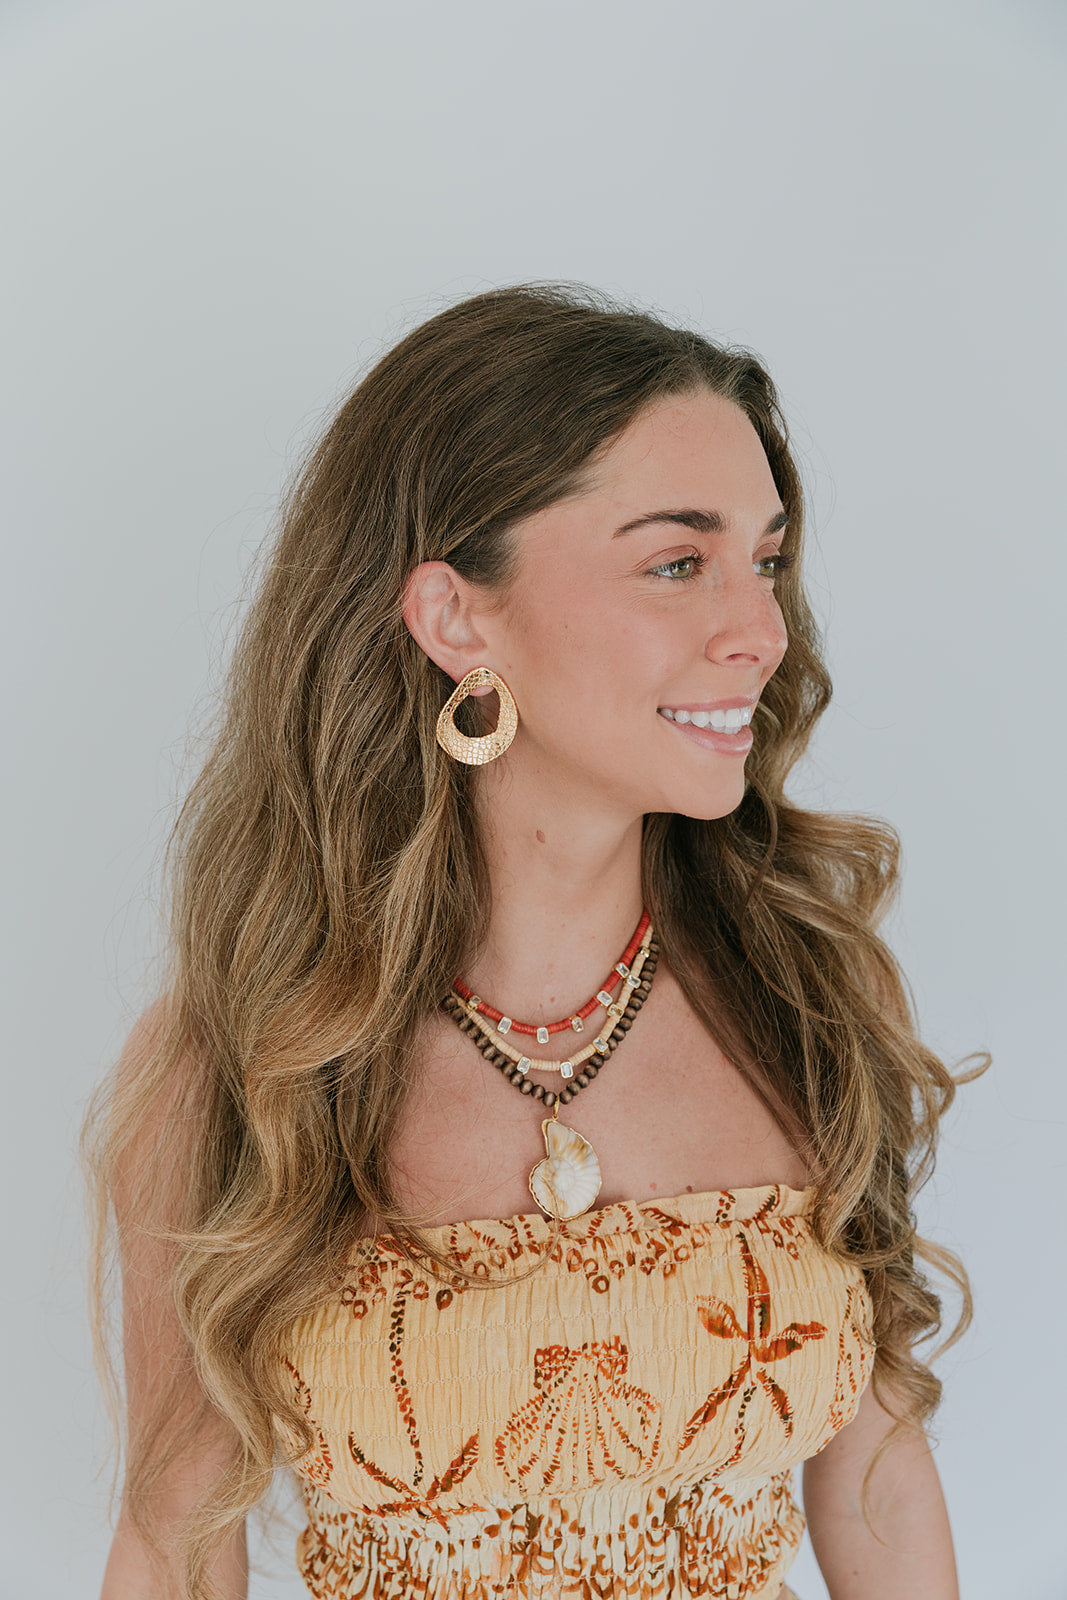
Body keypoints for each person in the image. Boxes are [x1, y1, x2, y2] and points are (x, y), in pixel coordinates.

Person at [83, 282, 977, 1600]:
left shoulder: (808, 993)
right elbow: (175, 1540)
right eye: (678, 563)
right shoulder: (238, 1068)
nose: (761, 632)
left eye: (767, 560)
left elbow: (880, 1482)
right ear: (457, 619)